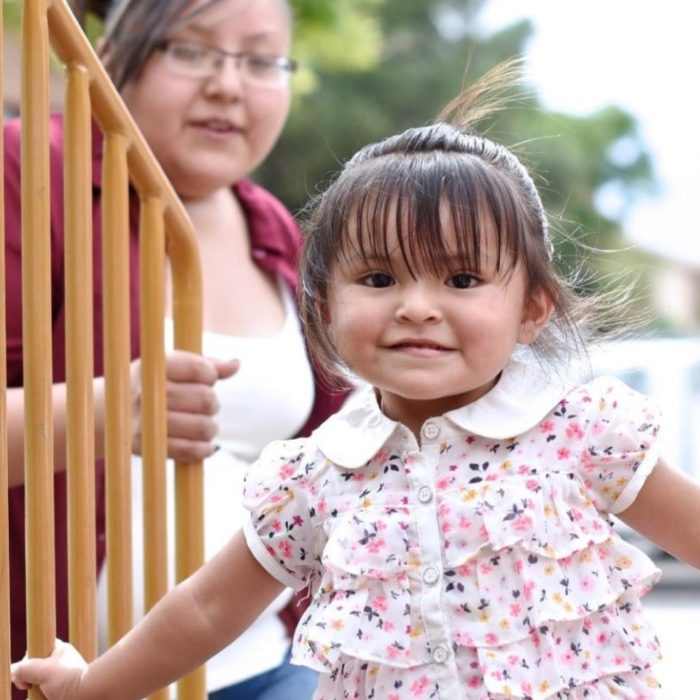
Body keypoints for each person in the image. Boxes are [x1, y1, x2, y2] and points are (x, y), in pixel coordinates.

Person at [11, 63, 700, 700]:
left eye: (461, 279)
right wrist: (89, 687)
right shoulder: (317, 475)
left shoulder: (580, 433)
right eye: (378, 279)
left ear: (531, 308)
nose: (417, 306)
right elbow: (206, 607)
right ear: (324, 309)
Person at [5, 0, 345, 698]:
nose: (228, 85)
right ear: (111, 49)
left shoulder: (279, 231)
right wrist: (101, 411)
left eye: (259, 59)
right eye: (190, 50)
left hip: (267, 670)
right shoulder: (30, 171)